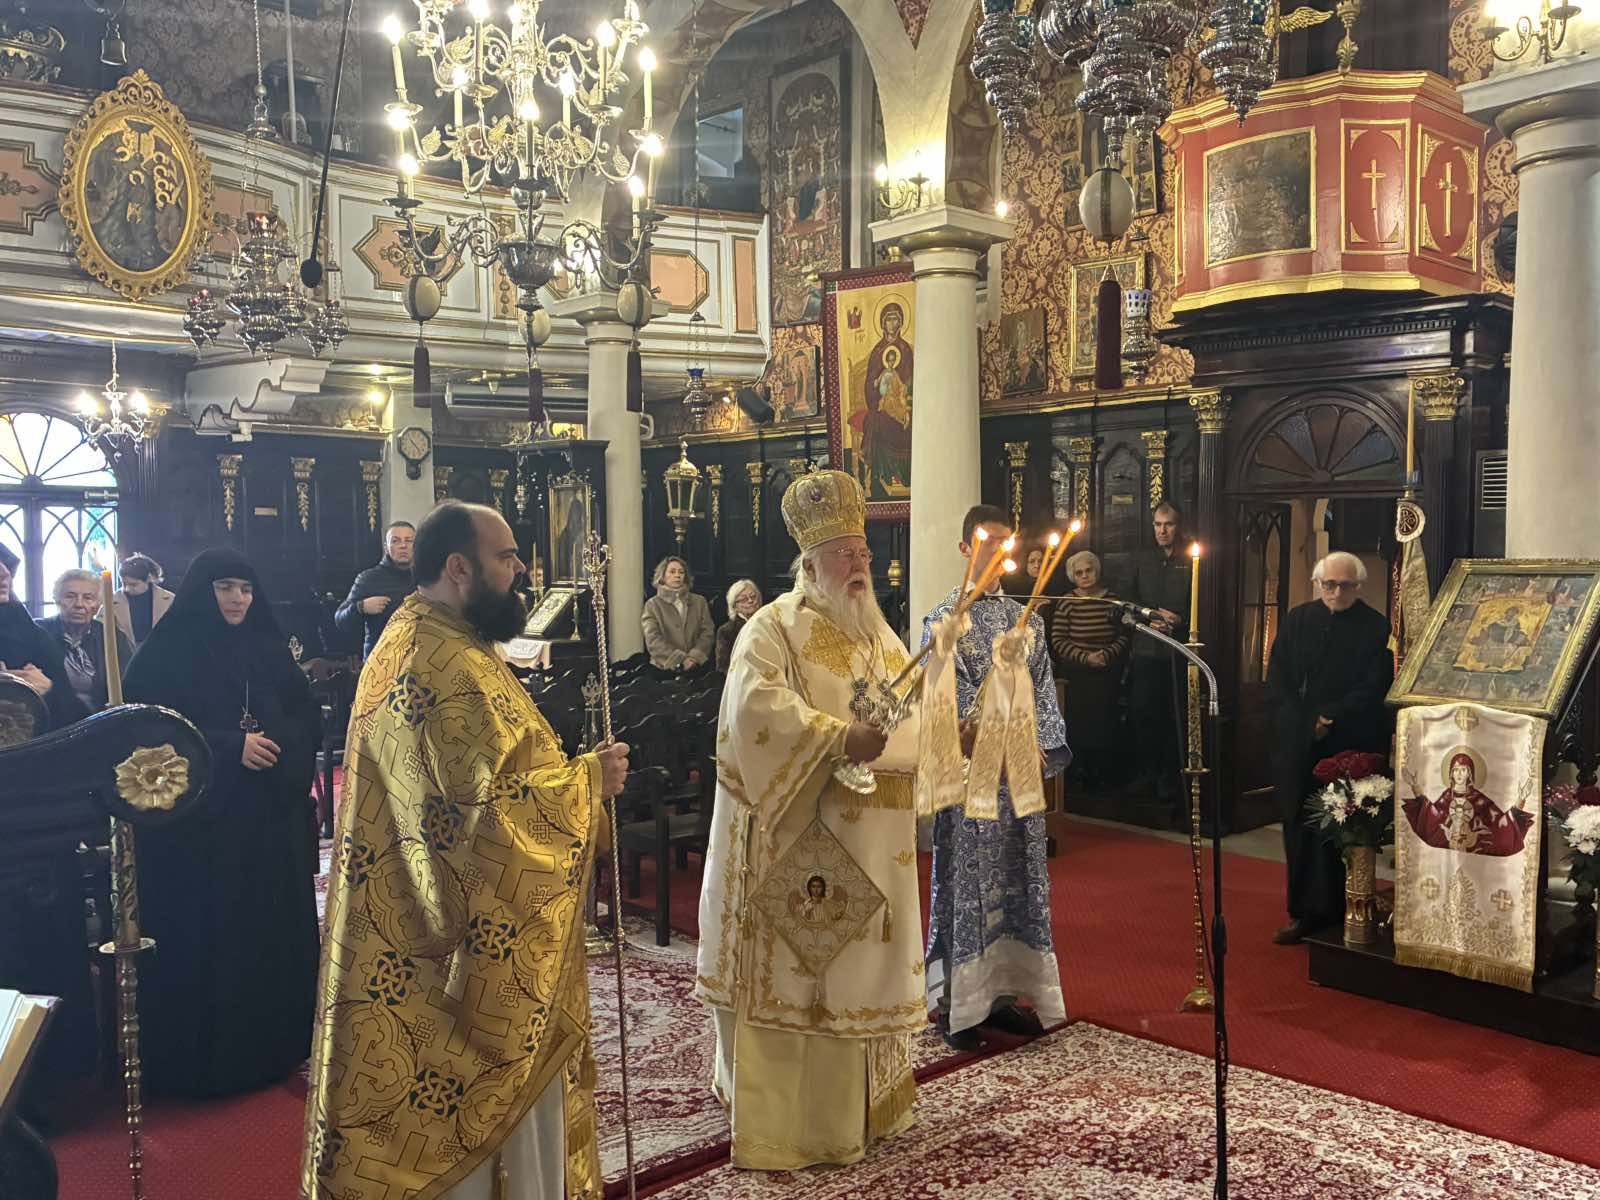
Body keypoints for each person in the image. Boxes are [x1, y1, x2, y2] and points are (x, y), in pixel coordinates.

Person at [302, 501, 629, 1200]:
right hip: (449, 968)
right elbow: (470, 826)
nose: (521, 572)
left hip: (441, 946)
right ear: (459, 567)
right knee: (471, 1128)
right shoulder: (434, 660)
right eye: (506, 557)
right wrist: (586, 783)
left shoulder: (443, 640)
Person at [696, 469, 924, 1171]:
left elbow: (906, 708)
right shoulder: (770, 630)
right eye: (844, 554)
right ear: (810, 562)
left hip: (872, 846)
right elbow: (752, 715)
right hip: (799, 846)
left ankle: (865, 1111)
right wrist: (837, 739)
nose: (859, 565)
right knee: (805, 978)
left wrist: (949, 734)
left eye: (863, 552)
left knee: (859, 975)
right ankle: (794, 1127)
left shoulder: (878, 633)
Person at [121, 548, 322, 1097]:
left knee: (266, 937)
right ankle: (209, 1064)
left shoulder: (267, 644)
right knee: (212, 942)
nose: (238, 599)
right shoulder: (164, 654)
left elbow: (306, 715)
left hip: (266, 823)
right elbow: (148, 732)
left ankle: (275, 1046)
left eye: (246, 589)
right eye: (226, 587)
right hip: (201, 832)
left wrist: (277, 745)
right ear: (200, 591)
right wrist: (231, 747)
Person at [923, 505, 1070, 1052]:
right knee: (968, 885)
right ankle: (958, 1006)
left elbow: (1043, 684)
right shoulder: (945, 618)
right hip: (973, 777)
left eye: (1006, 542)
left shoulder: (1024, 617)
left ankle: (1004, 995)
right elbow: (947, 696)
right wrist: (990, 740)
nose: (998, 552)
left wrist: (1039, 743)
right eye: (987, 542)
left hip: (1019, 776)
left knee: (1017, 880)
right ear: (966, 548)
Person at [1265, 551, 1393, 944]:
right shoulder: (1298, 619)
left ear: (1359, 586)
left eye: (1345, 585)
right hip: (1299, 739)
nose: (1336, 592)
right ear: (1317, 583)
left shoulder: (1375, 627)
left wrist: (1330, 717)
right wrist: (1305, 723)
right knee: (1300, 825)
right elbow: (1279, 676)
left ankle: (1349, 906)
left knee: (1346, 826)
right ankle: (1305, 910)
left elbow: (1374, 685)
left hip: (1348, 740)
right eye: (1329, 584)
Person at [1127, 502, 1193, 821]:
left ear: (1178, 527)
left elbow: (1204, 602)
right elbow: (1127, 602)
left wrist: (1180, 621)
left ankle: (1170, 778)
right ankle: (1148, 774)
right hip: (1145, 649)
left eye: (1168, 524)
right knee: (1142, 713)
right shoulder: (1142, 559)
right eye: (1157, 524)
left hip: (1177, 652)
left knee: (1173, 716)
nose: (1162, 530)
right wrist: (1147, 617)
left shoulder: (1190, 560)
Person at [1050, 550, 1129, 788]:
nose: (1085, 576)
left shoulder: (1112, 600)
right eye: (1079, 573)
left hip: (1106, 671)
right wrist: (1085, 658)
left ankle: (1102, 775)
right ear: (1073, 576)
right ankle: (1079, 774)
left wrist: (1106, 655)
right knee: (1078, 723)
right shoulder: (1067, 601)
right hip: (1077, 674)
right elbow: (1058, 640)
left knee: (1105, 724)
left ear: (1097, 571)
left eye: (1089, 570)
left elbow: (1124, 636)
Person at [0, 543, 86, 730]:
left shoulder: (31, 635)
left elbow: (73, 712)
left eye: (6, 564)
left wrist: (48, 690)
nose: (5, 573)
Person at [1402, 753, 1533, 858]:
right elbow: (1431, 819)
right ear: (1451, 773)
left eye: (1463, 770)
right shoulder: (1446, 797)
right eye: (1456, 770)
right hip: (1446, 858)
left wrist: (1521, 799)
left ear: (1469, 773)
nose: (1459, 774)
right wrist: (1414, 786)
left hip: (1477, 859)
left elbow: (1500, 826)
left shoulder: (1479, 799)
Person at [38, 568, 132, 711]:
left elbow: (128, 685)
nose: (79, 604)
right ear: (57, 600)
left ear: (98, 605)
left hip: (101, 717)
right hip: (52, 716)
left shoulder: (112, 636)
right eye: (70, 596)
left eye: (88, 598)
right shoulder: (39, 632)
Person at [333, 520, 415, 658]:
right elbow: (341, 621)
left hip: (419, 659)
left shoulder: (427, 578)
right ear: (386, 547)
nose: (403, 546)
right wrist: (360, 607)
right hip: (380, 661)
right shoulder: (368, 578)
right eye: (395, 541)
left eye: (409, 541)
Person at [641, 555, 713, 672]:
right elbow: (653, 639)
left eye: (681, 572)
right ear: (662, 576)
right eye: (672, 572)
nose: (677, 575)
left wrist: (694, 657)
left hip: (697, 668)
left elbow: (707, 632)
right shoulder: (652, 605)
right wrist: (680, 660)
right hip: (663, 669)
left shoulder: (699, 601)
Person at [112, 552, 173, 646]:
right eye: (123, 583)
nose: (127, 589)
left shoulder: (170, 600)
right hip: (124, 653)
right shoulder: (111, 602)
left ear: (149, 578)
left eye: (133, 585)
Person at [714, 578, 762, 673]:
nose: (750, 601)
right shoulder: (726, 631)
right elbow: (723, 666)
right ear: (734, 606)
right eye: (744, 599)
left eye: (753, 596)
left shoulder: (768, 623)